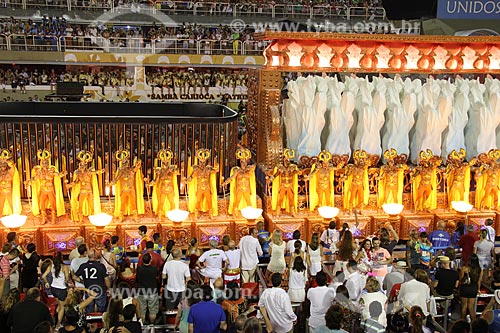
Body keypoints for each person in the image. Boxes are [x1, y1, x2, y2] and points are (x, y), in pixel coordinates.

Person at [26, 149, 66, 224]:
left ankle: (53, 217)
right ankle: (43, 217)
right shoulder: (39, 171)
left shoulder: (52, 170)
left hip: (50, 190)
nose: (45, 165)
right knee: (42, 203)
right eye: (43, 163)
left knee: (52, 203)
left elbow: (58, 175)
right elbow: (34, 178)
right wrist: (29, 182)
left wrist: (63, 174)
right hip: (43, 190)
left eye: (46, 163)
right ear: (41, 163)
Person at [67, 150, 103, 222]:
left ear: (86, 166)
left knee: (91, 205)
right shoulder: (78, 173)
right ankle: (80, 218)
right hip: (82, 191)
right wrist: (70, 185)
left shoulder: (89, 172)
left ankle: (94, 218)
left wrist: (100, 171)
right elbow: (76, 182)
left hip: (89, 191)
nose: (82, 167)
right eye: (81, 165)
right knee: (80, 206)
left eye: (83, 165)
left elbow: (95, 172)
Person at [109, 149, 145, 220]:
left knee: (133, 203)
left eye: (126, 162)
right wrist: (110, 183)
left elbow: (137, 166)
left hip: (131, 189)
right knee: (122, 203)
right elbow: (116, 180)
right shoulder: (120, 171)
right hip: (123, 190)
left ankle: (135, 216)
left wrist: (139, 161)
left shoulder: (132, 169)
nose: (125, 164)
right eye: (124, 162)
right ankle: (121, 216)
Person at [73, 249, 111, 313]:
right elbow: (106, 279)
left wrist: (83, 281)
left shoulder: (83, 266)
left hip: (89, 289)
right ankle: (100, 321)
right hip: (100, 290)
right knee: (101, 310)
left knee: (89, 309)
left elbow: (74, 277)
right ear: (95, 256)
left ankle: (89, 322)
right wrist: (108, 288)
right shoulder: (100, 266)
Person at [186, 148, 219, 218]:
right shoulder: (196, 169)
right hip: (199, 187)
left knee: (209, 200)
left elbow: (216, 170)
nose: (202, 163)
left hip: (207, 187)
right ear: (199, 161)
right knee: (197, 200)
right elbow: (191, 177)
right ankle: (196, 212)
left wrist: (216, 165)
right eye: (201, 162)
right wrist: (186, 180)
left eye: (204, 162)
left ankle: (210, 213)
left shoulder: (208, 168)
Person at [224, 147, 257, 217]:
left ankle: (250, 214)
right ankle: (234, 212)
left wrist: (251, 165)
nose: (243, 163)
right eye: (242, 162)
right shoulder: (237, 170)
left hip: (247, 189)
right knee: (237, 202)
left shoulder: (249, 170)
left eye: (244, 161)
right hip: (239, 189)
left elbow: (254, 165)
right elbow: (232, 177)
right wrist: (226, 182)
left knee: (249, 202)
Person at [268, 148, 300, 216]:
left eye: (288, 160)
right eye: (286, 160)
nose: (287, 161)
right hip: (282, 186)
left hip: (289, 186)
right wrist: (270, 179)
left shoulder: (293, 167)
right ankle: (278, 211)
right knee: (280, 199)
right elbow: (276, 175)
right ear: (283, 159)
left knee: (291, 199)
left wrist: (301, 173)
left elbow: (297, 172)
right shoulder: (280, 167)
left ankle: (292, 212)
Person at [150, 148, 179, 220]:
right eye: (163, 161)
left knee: (172, 203)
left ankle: (173, 215)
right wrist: (150, 183)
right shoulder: (159, 170)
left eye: (167, 160)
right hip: (162, 189)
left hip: (170, 188)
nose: (165, 162)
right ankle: (159, 216)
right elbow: (156, 180)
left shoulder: (172, 168)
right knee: (161, 203)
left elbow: (177, 173)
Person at [162, 247, 191, 311]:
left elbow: (163, 277)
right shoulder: (185, 266)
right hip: (182, 290)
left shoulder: (167, 264)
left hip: (170, 289)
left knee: (170, 309)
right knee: (182, 309)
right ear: (180, 255)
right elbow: (188, 279)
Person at [136, 252, 159, 324]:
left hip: (142, 292)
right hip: (152, 292)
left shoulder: (139, 269)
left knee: (142, 311)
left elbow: (137, 279)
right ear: (150, 260)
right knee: (152, 311)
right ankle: (152, 325)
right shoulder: (154, 269)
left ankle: (142, 326)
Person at [460, 253, 483, 321]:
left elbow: (460, 278)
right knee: (471, 307)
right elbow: (479, 281)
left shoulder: (464, 268)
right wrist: (478, 289)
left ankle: (463, 324)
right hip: (473, 288)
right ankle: (474, 324)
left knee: (464, 306)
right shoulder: (480, 270)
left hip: (465, 288)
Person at [0, 149, 21, 217]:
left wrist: (6, 160)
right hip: (1, 192)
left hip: (9, 192)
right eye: (1, 166)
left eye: (4, 166)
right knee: (1, 206)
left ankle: (14, 216)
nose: (3, 167)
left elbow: (12, 167)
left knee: (11, 205)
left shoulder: (10, 172)